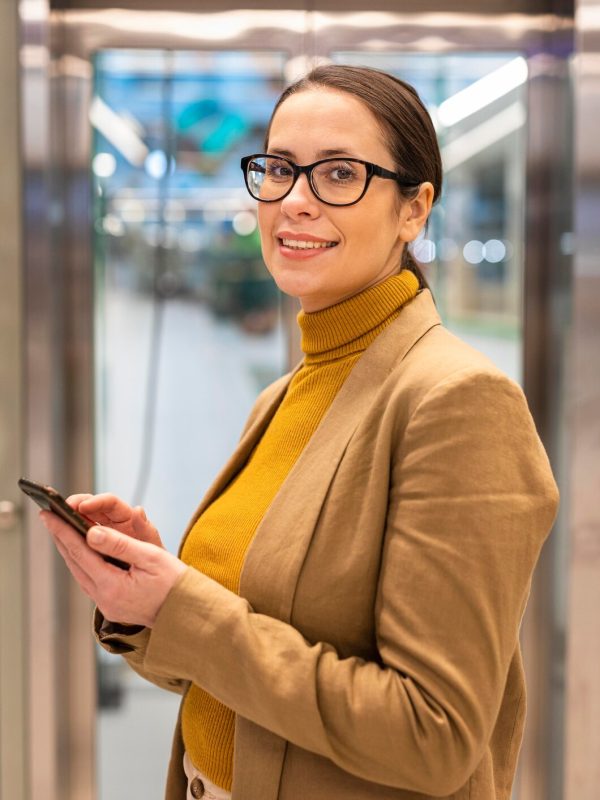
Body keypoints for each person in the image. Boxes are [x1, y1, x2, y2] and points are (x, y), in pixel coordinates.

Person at [40, 64, 559, 800]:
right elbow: (221, 661)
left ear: (415, 209)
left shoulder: (457, 402)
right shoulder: (287, 394)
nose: (295, 202)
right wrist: (148, 599)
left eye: (339, 174)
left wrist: (184, 607)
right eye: (279, 170)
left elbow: (433, 736)